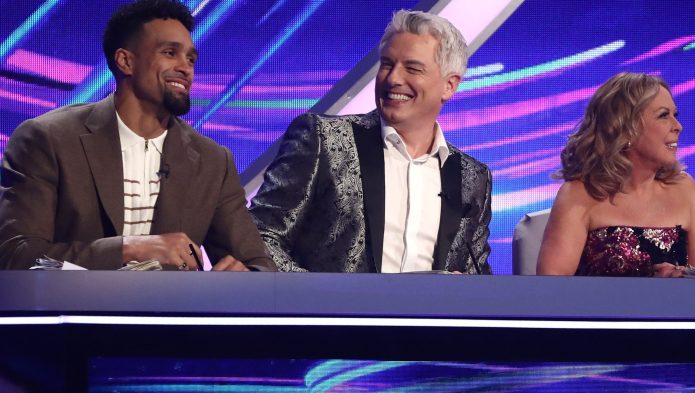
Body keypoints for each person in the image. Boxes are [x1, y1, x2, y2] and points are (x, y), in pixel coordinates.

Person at [0, 0, 275, 272]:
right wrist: (130, 248)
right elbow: (14, 255)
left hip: (169, 313)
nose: (185, 67)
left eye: (190, 58)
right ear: (126, 61)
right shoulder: (49, 139)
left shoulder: (212, 161)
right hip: (74, 312)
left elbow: (259, 267)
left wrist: (242, 277)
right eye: (170, 53)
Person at [249, 10, 492, 274]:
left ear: (449, 85)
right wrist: (322, 299)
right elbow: (260, 236)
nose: (393, 78)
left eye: (412, 68)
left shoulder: (472, 178)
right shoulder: (323, 139)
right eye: (387, 64)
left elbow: (476, 274)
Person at [537, 72, 695, 276]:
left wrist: (681, 278)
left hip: (673, 308)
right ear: (627, 128)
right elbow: (551, 292)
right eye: (664, 115)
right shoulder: (579, 194)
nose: (678, 126)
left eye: (676, 115)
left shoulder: (684, 188)